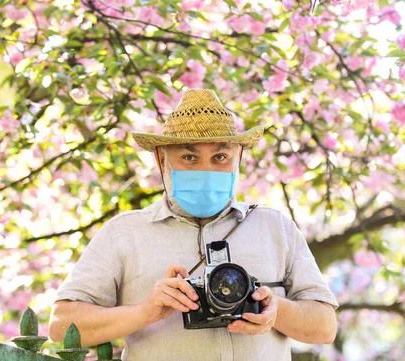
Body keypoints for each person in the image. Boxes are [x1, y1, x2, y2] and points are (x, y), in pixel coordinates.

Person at [49, 89, 338, 361]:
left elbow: (325, 327)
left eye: (220, 157)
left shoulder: (275, 227)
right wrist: (145, 312)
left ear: (238, 158)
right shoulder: (122, 233)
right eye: (189, 157)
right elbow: (61, 325)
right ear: (161, 160)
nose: (206, 168)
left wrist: (274, 308)